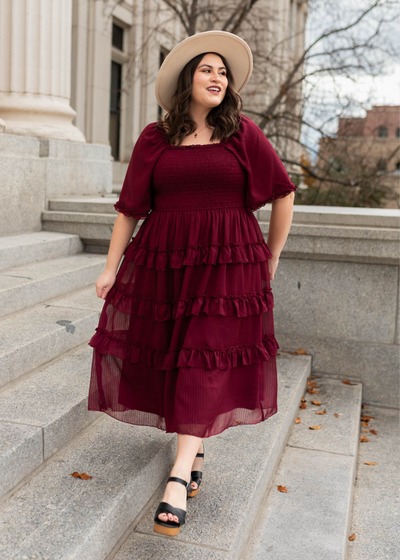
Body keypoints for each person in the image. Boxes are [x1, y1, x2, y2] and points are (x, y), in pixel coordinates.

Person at [87, 30, 297, 537]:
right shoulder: (154, 139)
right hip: (165, 261)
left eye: (223, 72)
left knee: (201, 353)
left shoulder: (243, 134)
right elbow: (130, 208)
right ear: (187, 80)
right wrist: (111, 266)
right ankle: (194, 440)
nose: (217, 77)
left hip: (228, 265)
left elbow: (283, 193)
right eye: (207, 69)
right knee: (174, 352)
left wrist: (269, 258)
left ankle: (179, 475)